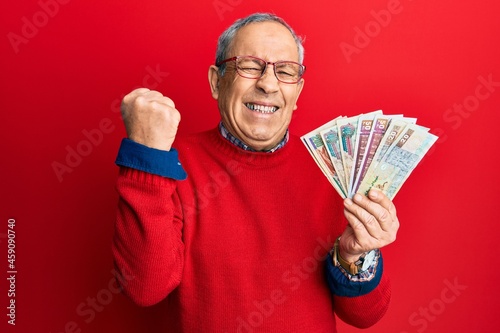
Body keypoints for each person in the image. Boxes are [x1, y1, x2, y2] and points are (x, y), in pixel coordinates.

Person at [112, 12, 399, 332]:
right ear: (216, 81)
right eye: (250, 65)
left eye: (286, 71)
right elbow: (144, 289)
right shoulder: (170, 164)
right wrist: (146, 156)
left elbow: (364, 315)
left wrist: (355, 255)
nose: (268, 84)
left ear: (298, 93)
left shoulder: (335, 169)